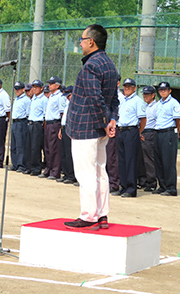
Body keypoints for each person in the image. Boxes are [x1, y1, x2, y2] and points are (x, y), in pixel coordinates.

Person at [64, 24, 119, 230]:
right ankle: (102, 214)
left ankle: (88, 215)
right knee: (99, 172)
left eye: (82, 39)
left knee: (86, 173)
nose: (80, 42)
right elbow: (114, 99)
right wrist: (112, 120)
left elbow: (95, 99)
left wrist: (105, 122)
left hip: (85, 128)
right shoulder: (110, 65)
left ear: (91, 42)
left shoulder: (91, 66)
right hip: (98, 128)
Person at [114, 78, 146, 198]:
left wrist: (138, 131)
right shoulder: (123, 100)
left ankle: (131, 189)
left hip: (131, 130)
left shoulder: (137, 101)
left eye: (129, 86)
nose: (127, 88)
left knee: (131, 160)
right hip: (121, 130)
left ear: (134, 88)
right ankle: (124, 186)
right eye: (125, 86)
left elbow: (143, 119)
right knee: (122, 160)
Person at [153, 82, 180, 196]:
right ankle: (162, 185)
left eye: (165, 90)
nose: (162, 92)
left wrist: (176, 132)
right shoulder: (159, 104)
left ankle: (171, 188)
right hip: (158, 132)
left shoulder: (174, 103)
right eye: (160, 90)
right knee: (158, 160)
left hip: (168, 132)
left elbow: (179, 121)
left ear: (169, 91)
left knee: (168, 161)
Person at [41, 76, 64, 180]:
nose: (49, 85)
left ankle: (55, 171)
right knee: (47, 148)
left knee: (54, 148)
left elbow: (62, 113)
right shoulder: (51, 96)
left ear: (57, 85)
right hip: (49, 124)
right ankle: (48, 169)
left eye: (51, 84)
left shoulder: (60, 97)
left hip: (55, 124)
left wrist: (61, 128)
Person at [24, 79, 47, 175]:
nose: (34, 89)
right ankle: (29, 166)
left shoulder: (44, 99)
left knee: (35, 147)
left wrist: (42, 127)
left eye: (36, 87)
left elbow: (45, 115)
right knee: (28, 146)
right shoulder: (33, 98)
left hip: (38, 125)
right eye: (33, 87)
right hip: (30, 123)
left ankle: (36, 168)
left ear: (41, 88)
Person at [139, 85, 158, 191]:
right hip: (141, 132)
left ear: (153, 95)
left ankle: (152, 183)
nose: (145, 96)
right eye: (144, 94)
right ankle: (142, 181)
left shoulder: (156, 107)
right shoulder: (144, 106)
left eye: (147, 94)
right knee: (140, 158)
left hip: (150, 133)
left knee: (149, 159)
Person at [106, 74, 122, 195]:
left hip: (114, 129)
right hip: (104, 129)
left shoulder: (120, 97)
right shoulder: (107, 95)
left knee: (112, 158)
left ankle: (114, 183)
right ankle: (106, 182)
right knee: (104, 157)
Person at [57, 86, 77, 184]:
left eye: (69, 95)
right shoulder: (67, 104)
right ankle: (66, 173)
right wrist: (61, 129)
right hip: (64, 128)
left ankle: (71, 175)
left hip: (71, 129)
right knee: (64, 153)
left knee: (70, 153)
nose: (68, 97)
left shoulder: (76, 104)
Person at [10, 81, 30, 172]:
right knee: (13, 144)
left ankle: (21, 165)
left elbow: (28, 113)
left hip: (21, 122)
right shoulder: (16, 99)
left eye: (18, 89)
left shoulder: (26, 100)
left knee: (20, 145)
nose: (16, 90)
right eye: (15, 89)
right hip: (14, 123)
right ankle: (15, 164)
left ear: (23, 90)